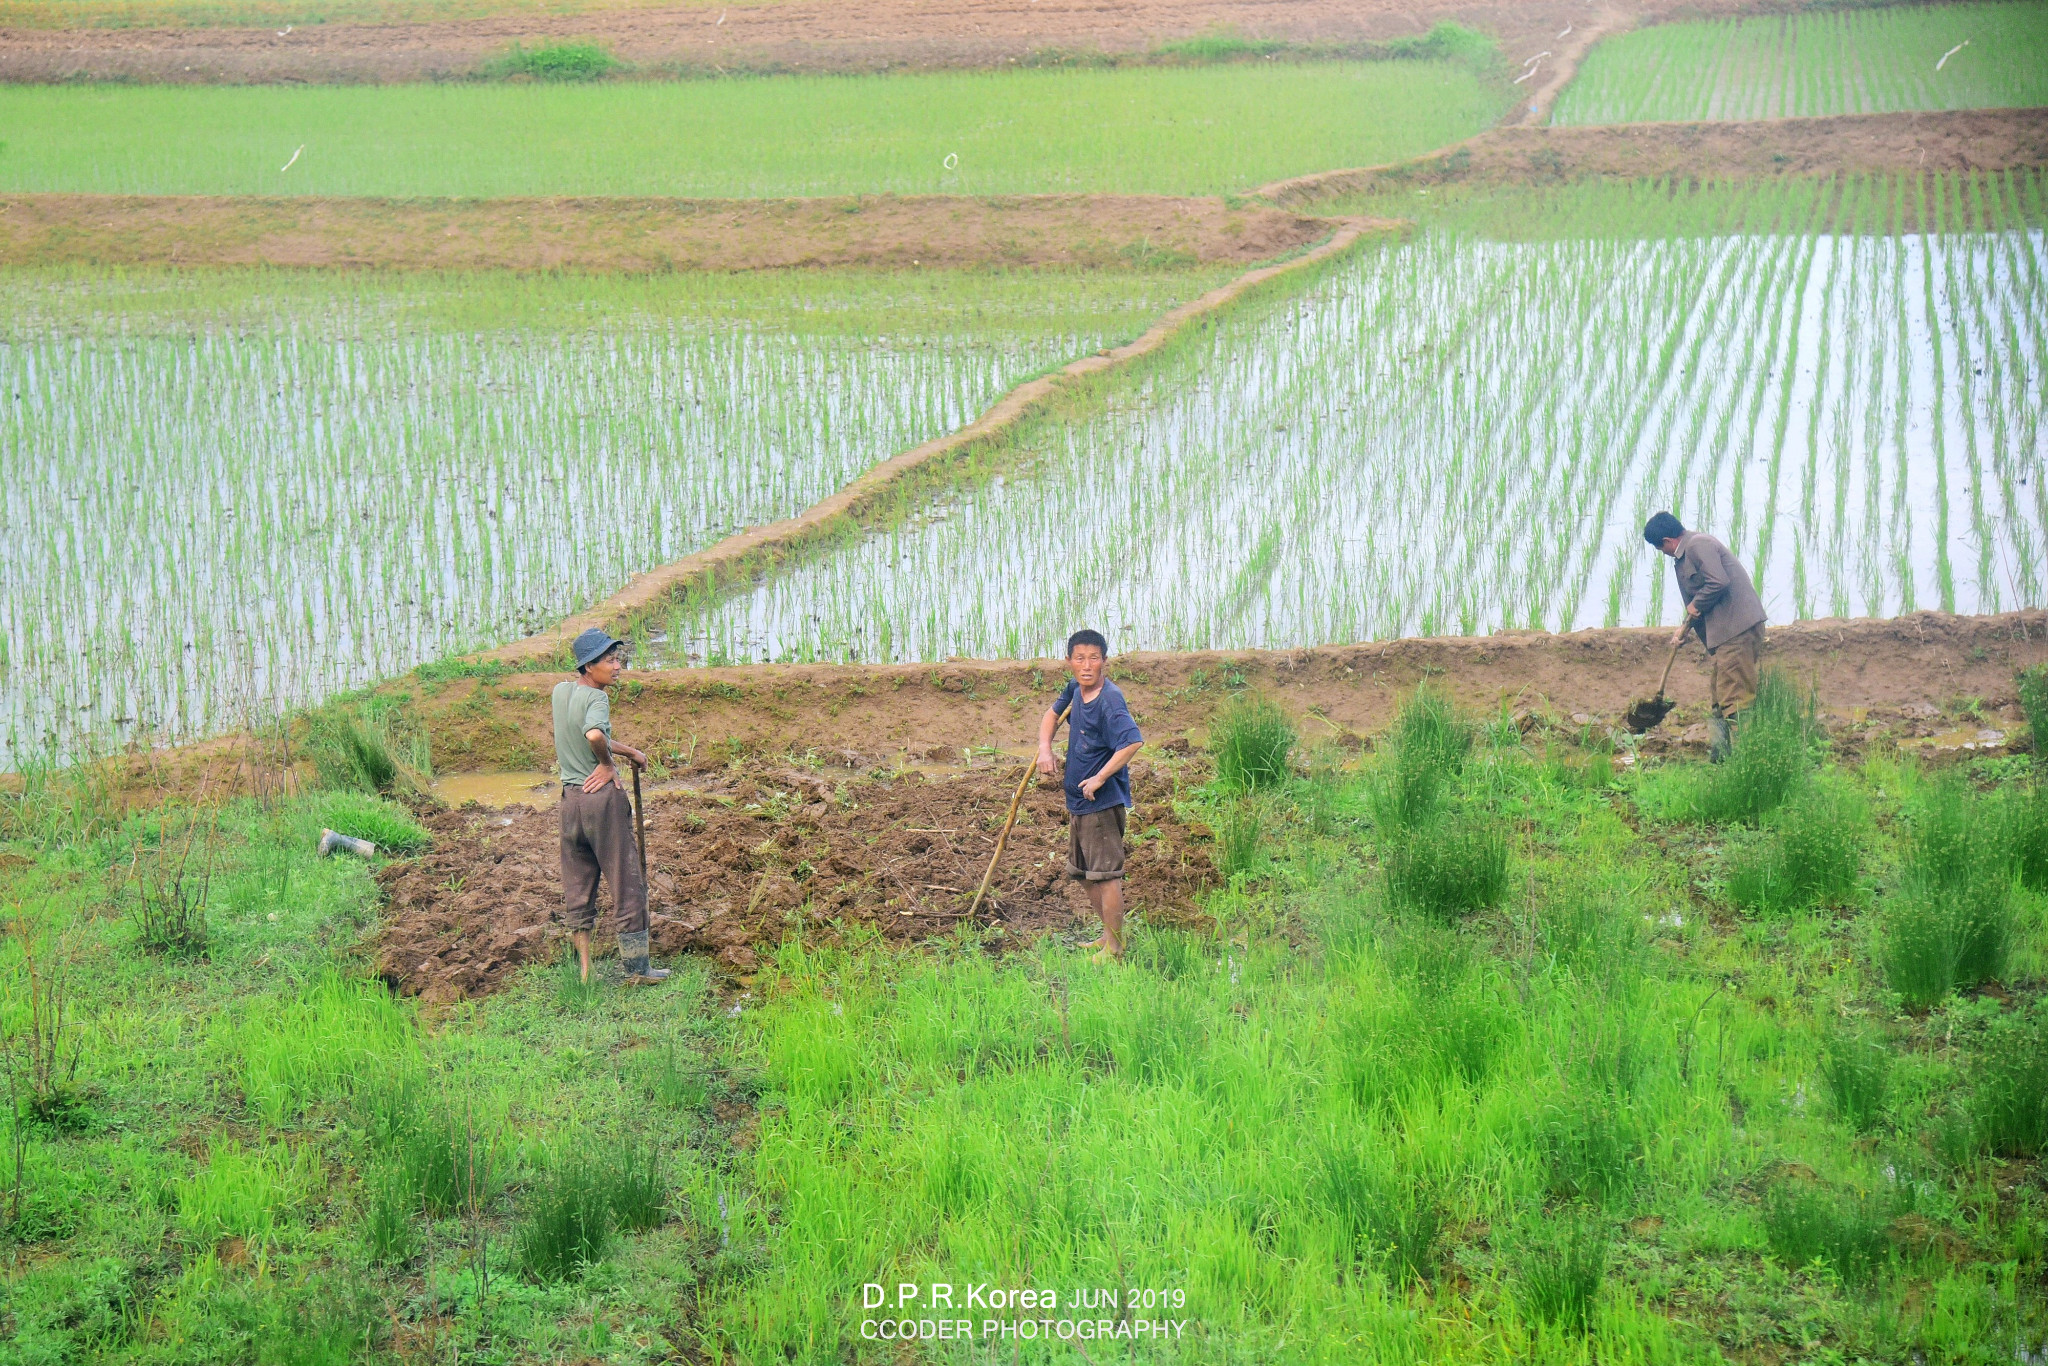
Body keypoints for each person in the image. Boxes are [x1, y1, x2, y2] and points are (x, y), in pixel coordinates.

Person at [553, 627, 668, 986]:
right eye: (609, 660)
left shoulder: (561, 692)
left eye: (617, 659)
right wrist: (606, 765)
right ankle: (637, 970)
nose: (617, 666)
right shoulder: (599, 700)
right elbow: (594, 735)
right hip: (601, 801)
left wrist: (629, 752)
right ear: (589, 666)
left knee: (579, 883)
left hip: (570, 800)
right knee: (625, 880)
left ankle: (585, 972)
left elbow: (584, 730)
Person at [1036, 629, 1145, 963]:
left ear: (1105, 662)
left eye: (1093, 658)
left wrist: (1099, 777)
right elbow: (1052, 715)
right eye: (1079, 658)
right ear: (1069, 662)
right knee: (1084, 874)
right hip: (1078, 803)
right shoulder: (1075, 689)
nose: (1086, 665)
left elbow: (1132, 742)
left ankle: (1114, 948)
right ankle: (1106, 934)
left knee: (1106, 876)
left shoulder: (1110, 699)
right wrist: (1045, 748)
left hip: (1100, 802)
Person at [1644, 511, 1767, 763]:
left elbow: (1717, 582)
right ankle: (1720, 758)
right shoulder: (1685, 554)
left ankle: (1748, 761)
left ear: (1667, 541)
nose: (1662, 552)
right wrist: (1683, 630)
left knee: (1734, 698)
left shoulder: (1698, 545)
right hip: (1726, 635)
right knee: (1719, 696)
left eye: (1659, 548)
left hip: (1737, 630)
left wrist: (1696, 605)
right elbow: (1697, 604)